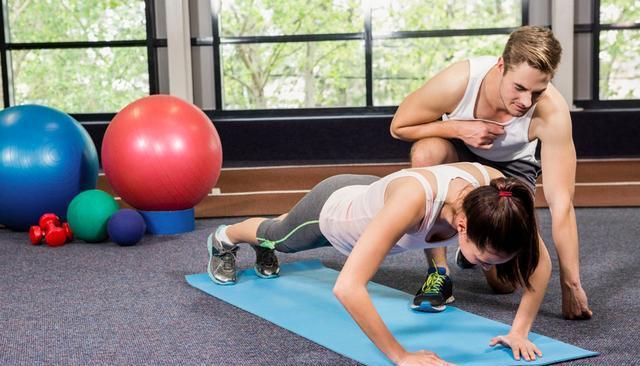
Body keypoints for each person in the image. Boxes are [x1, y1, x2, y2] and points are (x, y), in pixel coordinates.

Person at [207, 162, 552, 365]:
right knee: (281, 235)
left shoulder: (502, 201)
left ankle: (262, 241)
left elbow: (541, 264)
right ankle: (226, 237)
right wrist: (401, 356)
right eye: (483, 259)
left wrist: (518, 331)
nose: (485, 268)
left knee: (281, 231)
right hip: (333, 211)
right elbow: (348, 287)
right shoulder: (415, 202)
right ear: (462, 227)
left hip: (375, 196)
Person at [389, 26, 592, 320]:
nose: (526, 102)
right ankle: (438, 273)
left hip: (509, 171)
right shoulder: (461, 81)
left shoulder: (552, 114)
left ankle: (471, 246)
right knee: (427, 152)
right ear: (501, 66)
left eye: (538, 91)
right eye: (519, 88)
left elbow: (561, 204)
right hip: (458, 153)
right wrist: (460, 128)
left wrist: (571, 284)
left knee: (504, 285)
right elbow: (399, 126)